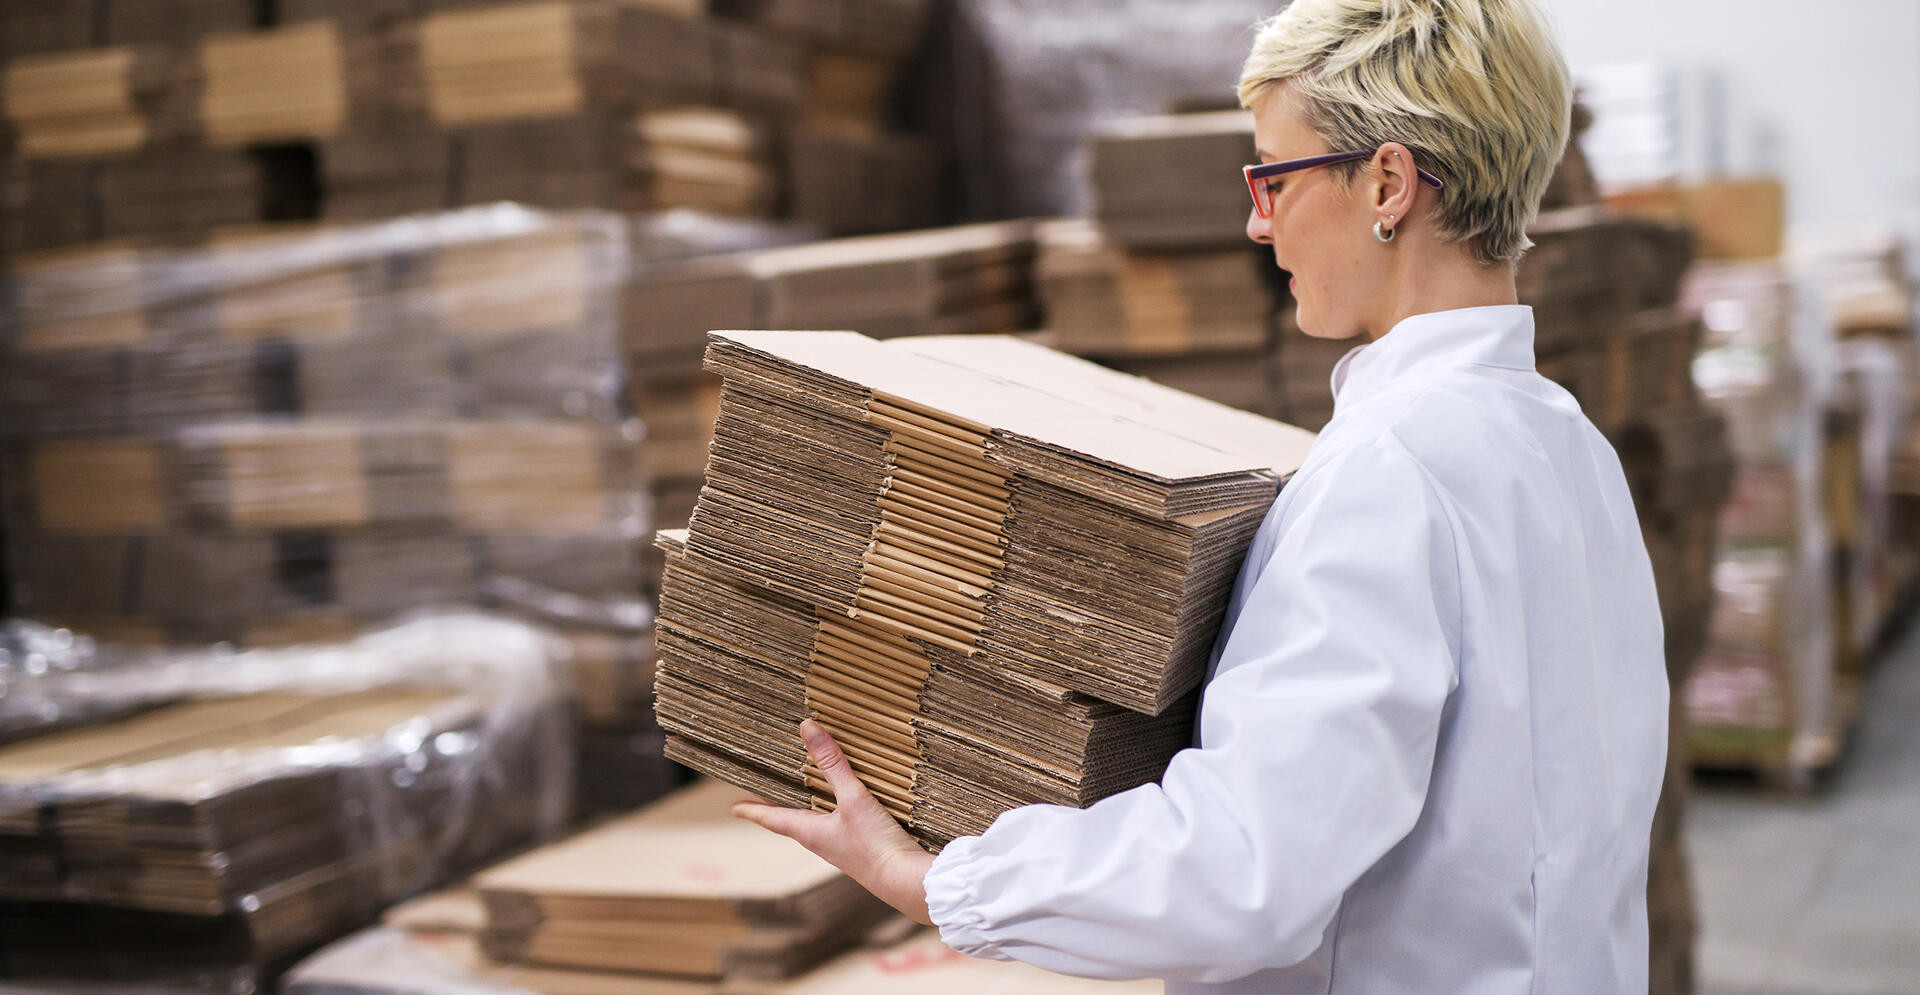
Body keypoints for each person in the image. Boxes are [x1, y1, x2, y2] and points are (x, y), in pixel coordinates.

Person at [732, 0, 1669, 990]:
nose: (1257, 222)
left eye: (1274, 177)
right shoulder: (1569, 447)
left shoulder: (1393, 473)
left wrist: (937, 880)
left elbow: (1245, 871)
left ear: (1388, 181)